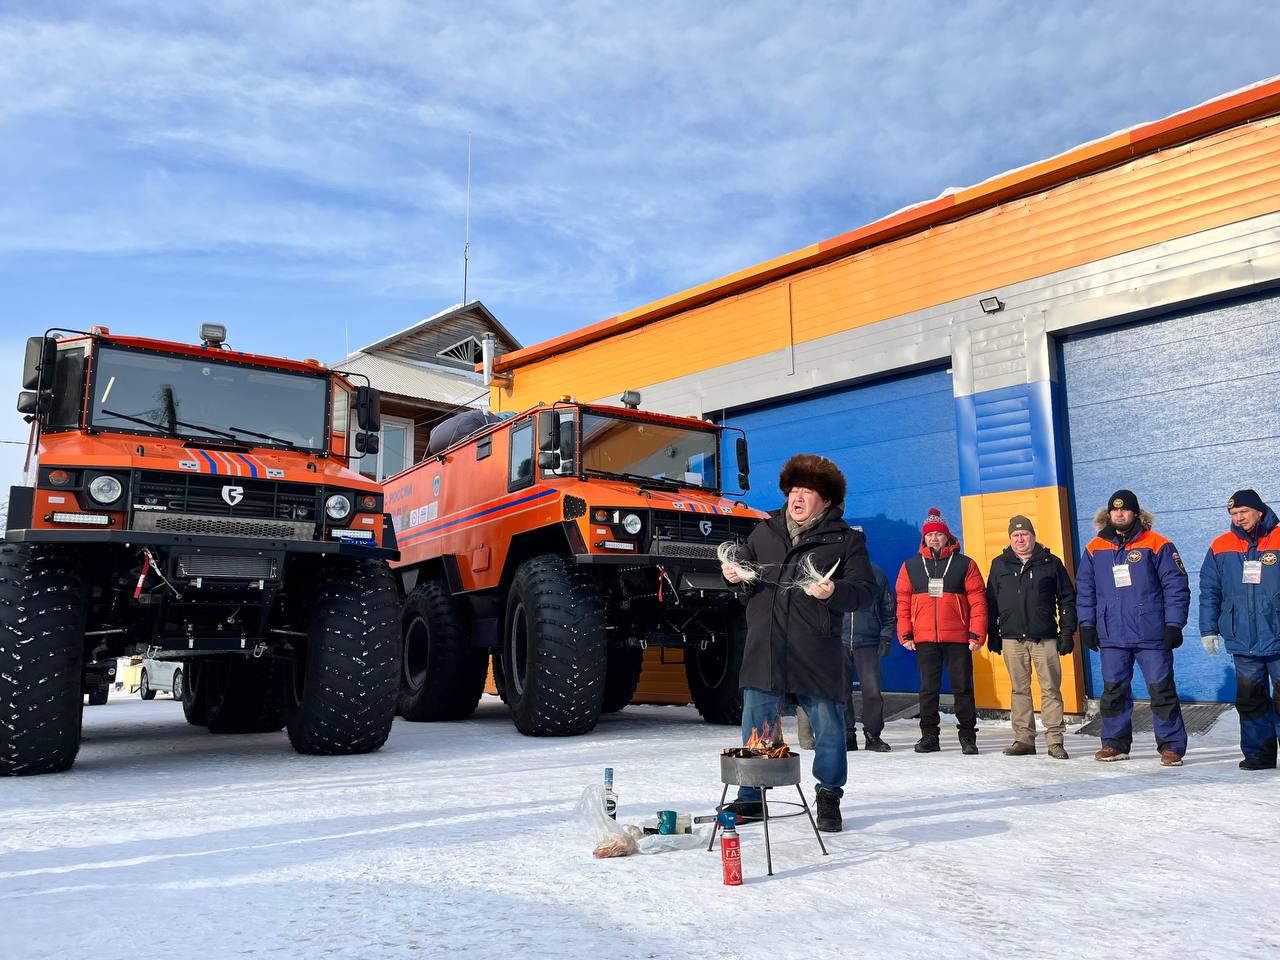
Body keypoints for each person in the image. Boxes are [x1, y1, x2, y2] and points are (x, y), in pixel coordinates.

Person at [721, 454, 877, 833]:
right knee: (758, 727)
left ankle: (828, 796)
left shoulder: (846, 541)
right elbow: (748, 582)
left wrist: (835, 591)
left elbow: (866, 592)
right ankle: (751, 797)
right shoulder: (764, 532)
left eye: (807, 491)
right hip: (765, 649)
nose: (798, 497)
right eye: (793, 490)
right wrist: (734, 576)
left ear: (826, 500)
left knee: (827, 729)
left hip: (816, 652)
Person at [1076, 489, 1190, 766]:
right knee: (1113, 691)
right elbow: (1085, 590)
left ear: (1136, 513)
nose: (1119, 513)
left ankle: (1171, 746)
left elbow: (1176, 587)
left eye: (1125, 509)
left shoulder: (1158, 544)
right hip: (1112, 634)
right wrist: (1087, 624)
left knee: (1161, 690)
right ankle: (1114, 743)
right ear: (1108, 514)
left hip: (1151, 634)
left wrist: (1174, 624)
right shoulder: (1095, 548)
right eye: (1114, 510)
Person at [1198, 489, 1280, 770]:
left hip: (1277, 634)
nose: (1238, 517)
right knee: (1251, 700)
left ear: (1259, 510)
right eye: (1233, 514)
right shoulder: (1221, 545)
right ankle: (1259, 754)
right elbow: (1210, 591)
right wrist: (1208, 629)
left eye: (1243, 512)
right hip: (1241, 638)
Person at [896, 507, 987, 755]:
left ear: (947, 536)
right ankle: (929, 737)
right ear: (923, 538)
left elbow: (978, 601)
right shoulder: (911, 566)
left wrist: (977, 633)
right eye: (929, 534)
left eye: (938, 534)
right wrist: (905, 632)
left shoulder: (965, 564)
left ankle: (968, 737)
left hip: (958, 638)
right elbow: (903, 602)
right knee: (928, 690)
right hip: (925, 637)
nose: (934, 538)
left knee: (963, 689)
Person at [985, 515, 1077, 759]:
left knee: (1051, 689)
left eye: (1024, 534)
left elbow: (1067, 599)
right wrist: (992, 634)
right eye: (1015, 535)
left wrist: (1066, 632)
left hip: (1044, 639)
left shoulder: (1051, 562)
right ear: (1010, 539)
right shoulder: (999, 564)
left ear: (1033, 536)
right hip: (1012, 639)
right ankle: (1024, 739)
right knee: (1019, 690)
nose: (1020, 539)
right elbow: (990, 602)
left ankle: (1055, 740)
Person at [796, 560, 895, 751]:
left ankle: (873, 735)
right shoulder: (830, 575)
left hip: (868, 641)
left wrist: (886, 637)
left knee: (872, 690)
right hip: (836, 641)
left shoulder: (876, 573)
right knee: (841, 691)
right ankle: (847, 733)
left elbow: (888, 607)